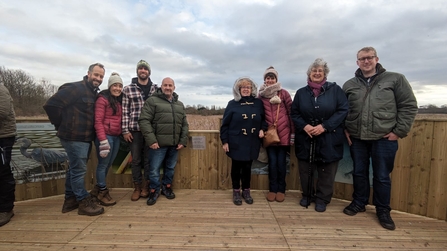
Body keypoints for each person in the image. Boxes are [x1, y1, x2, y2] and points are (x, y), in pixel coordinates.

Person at [342, 47, 417, 230]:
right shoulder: (350, 84)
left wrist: (399, 131)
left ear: (376, 59)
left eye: (369, 58)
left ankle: (383, 210)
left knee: (382, 176)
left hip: (384, 138)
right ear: (357, 62)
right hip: (358, 138)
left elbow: (408, 105)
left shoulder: (395, 79)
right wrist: (346, 129)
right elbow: (342, 109)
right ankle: (359, 202)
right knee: (359, 172)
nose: (366, 61)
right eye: (362, 59)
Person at [43, 63, 105, 216]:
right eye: (96, 74)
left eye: (101, 76)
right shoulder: (75, 88)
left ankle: (70, 200)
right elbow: (51, 105)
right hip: (73, 137)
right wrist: (59, 124)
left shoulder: (93, 93)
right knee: (79, 170)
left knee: (74, 169)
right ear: (88, 74)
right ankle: (83, 201)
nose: (98, 78)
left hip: (85, 138)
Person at [291, 58, 349, 212]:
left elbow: (343, 110)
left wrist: (325, 126)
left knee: (327, 170)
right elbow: (294, 113)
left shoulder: (336, 90)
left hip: (329, 136)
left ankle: (322, 199)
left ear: (325, 74)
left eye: (320, 71)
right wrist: (305, 126)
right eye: (314, 70)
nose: (317, 73)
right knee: (306, 168)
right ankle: (307, 195)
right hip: (306, 137)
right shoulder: (301, 93)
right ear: (309, 74)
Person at [139, 77, 189, 206]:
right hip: (157, 145)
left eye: (170, 85)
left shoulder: (179, 104)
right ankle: (154, 190)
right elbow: (144, 120)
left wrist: (182, 141)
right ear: (161, 87)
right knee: (154, 170)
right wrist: (151, 140)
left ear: (174, 87)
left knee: (170, 168)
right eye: (165, 85)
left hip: (174, 144)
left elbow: (184, 124)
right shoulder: (152, 101)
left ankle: (166, 188)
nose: (168, 87)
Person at [220, 77, 266, 206]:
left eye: (248, 87)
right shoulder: (232, 104)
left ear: (252, 89)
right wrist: (225, 141)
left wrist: (263, 129)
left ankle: (246, 191)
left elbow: (263, 119)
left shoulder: (258, 103)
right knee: (236, 168)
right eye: (243, 87)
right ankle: (236, 191)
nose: (246, 89)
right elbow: (225, 125)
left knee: (247, 167)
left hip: (252, 141)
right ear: (238, 90)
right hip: (236, 141)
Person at [122, 60, 158, 201]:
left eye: (145, 69)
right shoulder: (128, 89)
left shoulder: (156, 89)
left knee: (149, 160)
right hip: (134, 130)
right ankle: (137, 187)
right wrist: (125, 130)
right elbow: (125, 111)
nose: (143, 71)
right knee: (136, 160)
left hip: (151, 131)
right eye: (140, 68)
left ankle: (146, 187)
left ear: (149, 72)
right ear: (137, 71)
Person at [258, 66, 294, 203]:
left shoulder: (283, 93)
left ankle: (281, 190)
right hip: (270, 135)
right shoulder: (261, 95)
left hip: (284, 133)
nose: (270, 80)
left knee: (281, 163)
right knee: (272, 163)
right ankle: (272, 189)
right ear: (265, 80)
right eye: (268, 78)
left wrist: (293, 134)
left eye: (272, 78)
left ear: (276, 79)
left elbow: (291, 114)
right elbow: (260, 115)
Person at [89, 72, 124, 206]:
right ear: (110, 86)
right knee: (103, 165)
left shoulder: (119, 100)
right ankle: (103, 191)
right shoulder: (102, 99)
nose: (118, 88)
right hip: (106, 137)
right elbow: (98, 121)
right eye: (115, 85)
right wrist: (103, 141)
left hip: (116, 137)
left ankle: (97, 189)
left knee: (108, 165)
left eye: (120, 86)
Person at [0, 82, 16, 227]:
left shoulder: (1, 90)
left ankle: (6, 208)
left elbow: (2, 112)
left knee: (3, 172)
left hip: (3, 137)